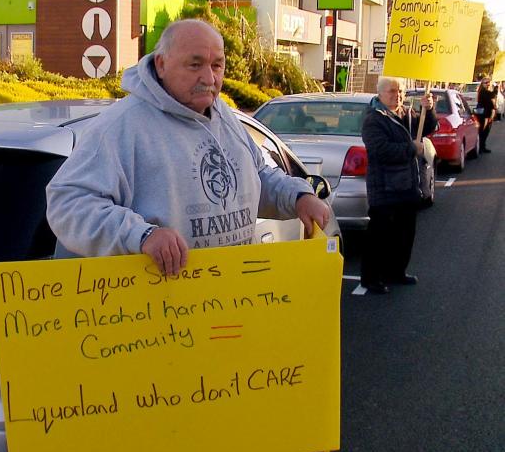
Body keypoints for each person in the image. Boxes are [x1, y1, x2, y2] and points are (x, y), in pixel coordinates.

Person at [46, 19, 330, 276]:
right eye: (195, 65)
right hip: (161, 314)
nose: (209, 78)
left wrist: (298, 197)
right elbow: (67, 202)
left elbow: (257, 175)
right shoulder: (121, 127)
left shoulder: (226, 118)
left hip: (229, 302)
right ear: (161, 64)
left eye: (217, 65)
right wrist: (142, 236)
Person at [359, 77, 437, 294]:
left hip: (407, 186)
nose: (397, 95)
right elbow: (380, 150)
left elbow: (427, 128)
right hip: (384, 187)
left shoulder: (406, 113)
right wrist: (412, 149)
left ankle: (396, 272)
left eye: (400, 91)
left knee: (404, 235)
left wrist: (428, 110)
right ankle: (371, 278)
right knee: (379, 236)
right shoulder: (374, 119)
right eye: (392, 91)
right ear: (380, 94)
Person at [475, 77, 499, 152]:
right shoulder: (482, 91)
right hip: (484, 115)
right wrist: (495, 88)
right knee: (483, 131)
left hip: (485, 114)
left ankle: (482, 146)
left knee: (484, 131)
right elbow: (491, 96)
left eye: (488, 82)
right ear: (482, 83)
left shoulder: (484, 91)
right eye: (486, 83)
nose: (488, 84)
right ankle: (481, 147)